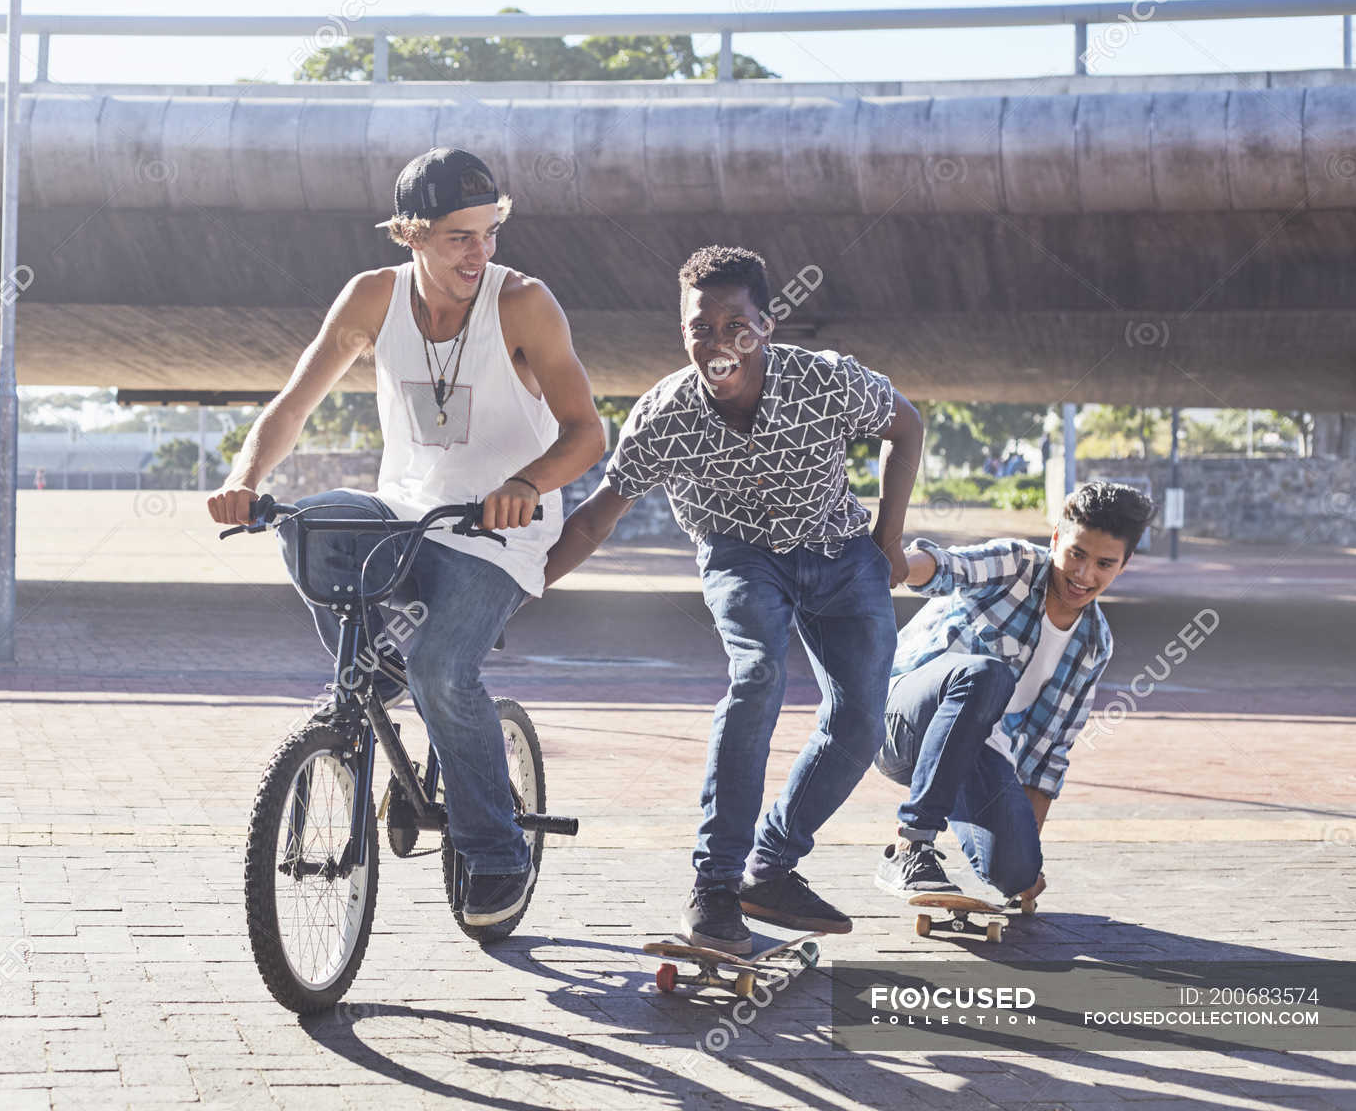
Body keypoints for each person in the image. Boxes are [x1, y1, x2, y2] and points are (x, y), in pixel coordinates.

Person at [207, 147, 605, 928]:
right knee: (317, 524)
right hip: (408, 514)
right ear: (410, 234)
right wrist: (245, 480)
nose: (479, 251)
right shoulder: (371, 298)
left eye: (489, 232)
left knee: (442, 667)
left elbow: (587, 434)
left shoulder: (522, 303)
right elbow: (293, 404)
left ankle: (495, 851)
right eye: (459, 236)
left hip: (498, 532)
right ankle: (369, 675)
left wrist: (526, 486)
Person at [546, 245, 924, 954]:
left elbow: (905, 426)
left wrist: (888, 539)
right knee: (758, 678)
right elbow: (598, 514)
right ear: (682, 331)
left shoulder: (826, 382)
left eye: (733, 324)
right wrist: (521, 587)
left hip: (842, 554)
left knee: (861, 723)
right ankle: (715, 886)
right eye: (700, 327)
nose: (717, 342)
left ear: (767, 325)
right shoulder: (663, 416)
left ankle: (771, 867)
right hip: (741, 554)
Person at [871, 481, 1153, 908]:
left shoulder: (1094, 644)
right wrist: (897, 565)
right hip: (902, 721)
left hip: (974, 754)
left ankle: (1010, 863)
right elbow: (947, 567)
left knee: (1018, 870)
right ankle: (912, 846)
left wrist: (1023, 847)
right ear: (1057, 538)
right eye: (1076, 554)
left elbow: (1049, 756)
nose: (1084, 575)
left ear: (1123, 565)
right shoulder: (1016, 564)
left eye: (1103, 564)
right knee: (988, 675)